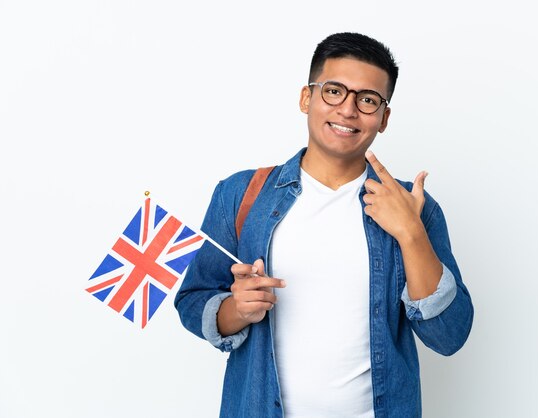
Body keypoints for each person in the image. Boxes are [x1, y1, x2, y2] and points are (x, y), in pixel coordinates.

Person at [175, 32, 473, 418]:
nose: (348, 110)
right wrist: (236, 309)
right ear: (307, 98)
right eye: (334, 91)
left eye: (367, 99)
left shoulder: (413, 206)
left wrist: (411, 233)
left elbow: (449, 336)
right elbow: (193, 299)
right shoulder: (241, 194)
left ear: (383, 117)